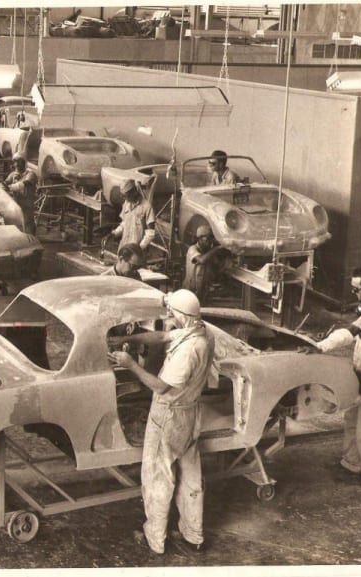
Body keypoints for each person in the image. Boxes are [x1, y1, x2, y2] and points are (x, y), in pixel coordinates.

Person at [108, 289, 214, 555]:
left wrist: (130, 363)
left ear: (184, 316)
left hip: (169, 416)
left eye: (173, 313)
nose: (170, 317)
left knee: (158, 477)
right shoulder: (201, 331)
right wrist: (128, 337)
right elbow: (164, 335)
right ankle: (194, 535)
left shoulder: (188, 351)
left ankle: (155, 538)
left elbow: (161, 386)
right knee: (191, 476)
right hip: (190, 413)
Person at [311, 268, 361, 488]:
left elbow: (351, 331)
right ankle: (352, 462)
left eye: (356, 289)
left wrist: (320, 347)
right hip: (360, 366)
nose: (353, 292)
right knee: (351, 417)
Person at [182, 224, 232, 304]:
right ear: (199, 239)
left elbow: (217, 267)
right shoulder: (192, 249)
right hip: (190, 290)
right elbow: (201, 260)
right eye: (207, 239)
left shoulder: (208, 252)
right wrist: (218, 248)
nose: (209, 242)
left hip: (203, 290)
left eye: (211, 239)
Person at [108, 177, 156, 253]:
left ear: (134, 192)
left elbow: (150, 233)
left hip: (137, 251)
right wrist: (114, 233)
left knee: (133, 265)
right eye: (123, 196)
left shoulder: (146, 207)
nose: (124, 198)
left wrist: (140, 247)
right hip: (124, 247)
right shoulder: (126, 204)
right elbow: (124, 224)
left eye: (126, 196)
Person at [4, 151, 38, 235]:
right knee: (15, 225)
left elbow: (26, 183)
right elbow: (5, 183)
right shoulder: (13, 174)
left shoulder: (30, 174)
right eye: (15, 162)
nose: (17, 165)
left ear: (24, 162)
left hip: (27, 205)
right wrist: (1, 185)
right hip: (16, 205)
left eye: (19, 162)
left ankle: (32, 242)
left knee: (28, 225)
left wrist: (14, 186)